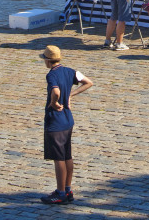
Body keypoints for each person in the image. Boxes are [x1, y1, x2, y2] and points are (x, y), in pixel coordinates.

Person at [40, 45, 93, 205]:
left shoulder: (51, 76)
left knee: (59, 159)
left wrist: (54, 102)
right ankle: (67, 188)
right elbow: (88, 82)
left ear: (48, 61)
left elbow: (55, 92)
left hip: (56, 121)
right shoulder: (70, 71)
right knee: (67, 155)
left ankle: (61, 193)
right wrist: (71, 93)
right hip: (68, 120)